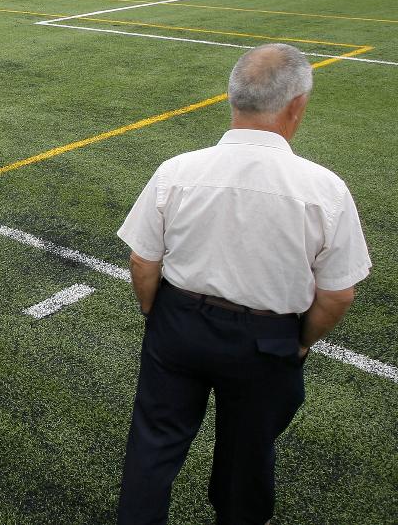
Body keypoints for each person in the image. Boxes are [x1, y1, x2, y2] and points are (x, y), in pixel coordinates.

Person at [116, 43, 370, 525]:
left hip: (178, 324)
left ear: (233, 99)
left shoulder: (178, 171)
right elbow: (337, 293)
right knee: (247, 460)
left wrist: (157, 314)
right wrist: (298, 343)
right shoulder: (325, 190)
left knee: (153, 446)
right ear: (296, 106)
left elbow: (143, 261)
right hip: (266, 342)